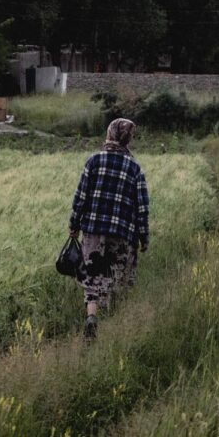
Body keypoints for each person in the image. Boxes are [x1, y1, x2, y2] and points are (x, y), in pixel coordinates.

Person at [69, 117, 149, 339]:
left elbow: (81, 197)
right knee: (117, 277)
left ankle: (92, 317)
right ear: (127, 138)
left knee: (92, 276)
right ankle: (113, 327)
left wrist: (74, 225)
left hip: (94, 231)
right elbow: (142, 207)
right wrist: (144, 237)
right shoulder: (134, 168)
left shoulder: (93, 161)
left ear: (110, 133)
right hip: (123, 234)